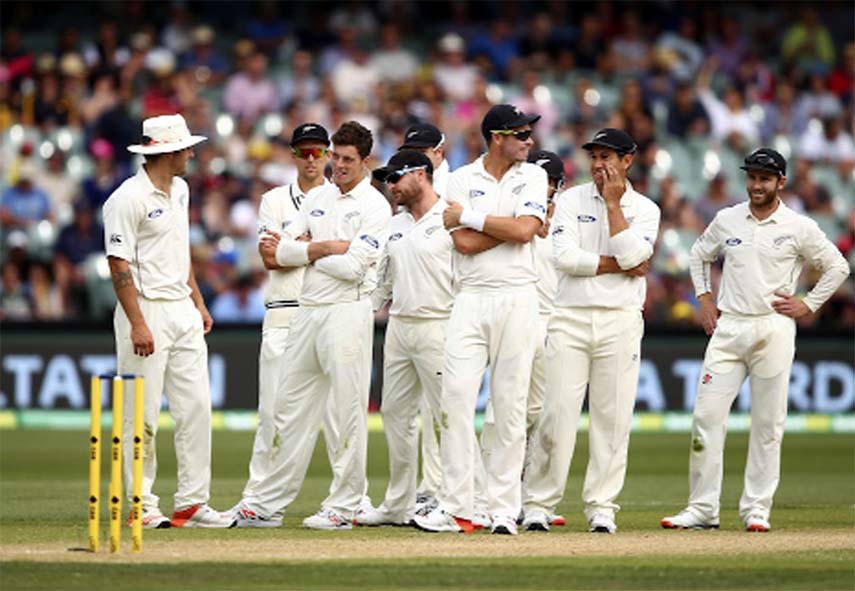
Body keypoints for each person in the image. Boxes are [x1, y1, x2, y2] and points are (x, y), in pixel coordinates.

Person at [662, 148, 849, 532]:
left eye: (765, 179)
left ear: (781, 182)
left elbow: (837, 266)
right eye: (751, 177)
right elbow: (699, 255)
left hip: (773, 328)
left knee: (768, 424)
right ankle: (702, 509)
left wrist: (808, 303)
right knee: (705, 418)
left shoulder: (798, 226)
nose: (756, 185)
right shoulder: (728, 219)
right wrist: (704, 299)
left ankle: (756, 509)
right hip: (728, 327)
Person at [232, 121, 391, 529]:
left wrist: (306, 251)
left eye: (347, 160)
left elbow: (356, 267)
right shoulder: (317, 196)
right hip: (307, 309)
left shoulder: (374, 205)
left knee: (346, 412)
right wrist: (324, 248)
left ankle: (345, 506)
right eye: (334, 156)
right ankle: (267, 504)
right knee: (288, 409)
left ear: (365, 161)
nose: (337, 165)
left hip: (347, 311)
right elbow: (277, 252)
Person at [414, 104, 547, 535]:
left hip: (518, 297)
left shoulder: (534, 176)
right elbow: (465, 246)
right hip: (470, 299)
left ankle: (503, 509)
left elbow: (527, 231)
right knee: (454, 400)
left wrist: (474, 217)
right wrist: (507, 226)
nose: (529, 141)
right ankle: (459, 507)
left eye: (529, 134)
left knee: (509, 407)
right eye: (521, 134)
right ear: (497, 137)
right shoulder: (458, 179)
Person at [521, 128, 661, 534]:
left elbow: (638, 254)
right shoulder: (569, 200)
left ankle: (602, 507)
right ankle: (538, 504)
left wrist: (615, 206)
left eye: (608, 157)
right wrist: (622, 264)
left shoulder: (645, 208)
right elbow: (565, 258)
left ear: (627, 161)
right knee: (556, 415)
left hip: (620, 319)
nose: (600, 165)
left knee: (612, 419)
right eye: (595, 157)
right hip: (570, 318)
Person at [102, 114, 235, 528]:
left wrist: (198, 301)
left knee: (196, 408)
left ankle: (192, 503)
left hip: (182, 309)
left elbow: (179, 252)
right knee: (138, 415)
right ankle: (141, 503)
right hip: (146, 310)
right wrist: (138, 322)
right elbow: (117, 264)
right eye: (186, 149)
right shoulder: (127, 199)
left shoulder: (181, 189)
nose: (192, 155)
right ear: (166, 152)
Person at [230, 122, 339, 527]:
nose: (311, 160)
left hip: (328, 310)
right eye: (303, 152)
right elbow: (271, 259)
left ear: (327, 154)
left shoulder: (342, 199)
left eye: (317, 152)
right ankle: (257, 500)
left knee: (337, 413)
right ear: (292, 156)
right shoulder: (273, 200)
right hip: (283, 312)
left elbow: (351, 256)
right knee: (273, 412)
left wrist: (297, 247)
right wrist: (323, 247)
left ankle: (347, 501)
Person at [355, 150, 453, 526]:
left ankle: (460, 500)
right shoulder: (396, 224)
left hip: (440, 325)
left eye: (396, 178)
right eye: (387, 179)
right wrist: (364, 311)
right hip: (399, 328)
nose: (390, 185)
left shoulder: (449, 217)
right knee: (395, 414)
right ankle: (399, 504)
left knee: (449, 416)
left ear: (421, 175)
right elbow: (384, 280)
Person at [397, 121, 449, 510]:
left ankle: (443, 490)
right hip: (406, 318)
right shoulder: (403, 198)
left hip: (444, 316)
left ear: (439, 153)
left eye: (426, 152)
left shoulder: (457, 191)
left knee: (444, 411)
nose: (419, 157)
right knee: (408, 411)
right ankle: (422, 490)